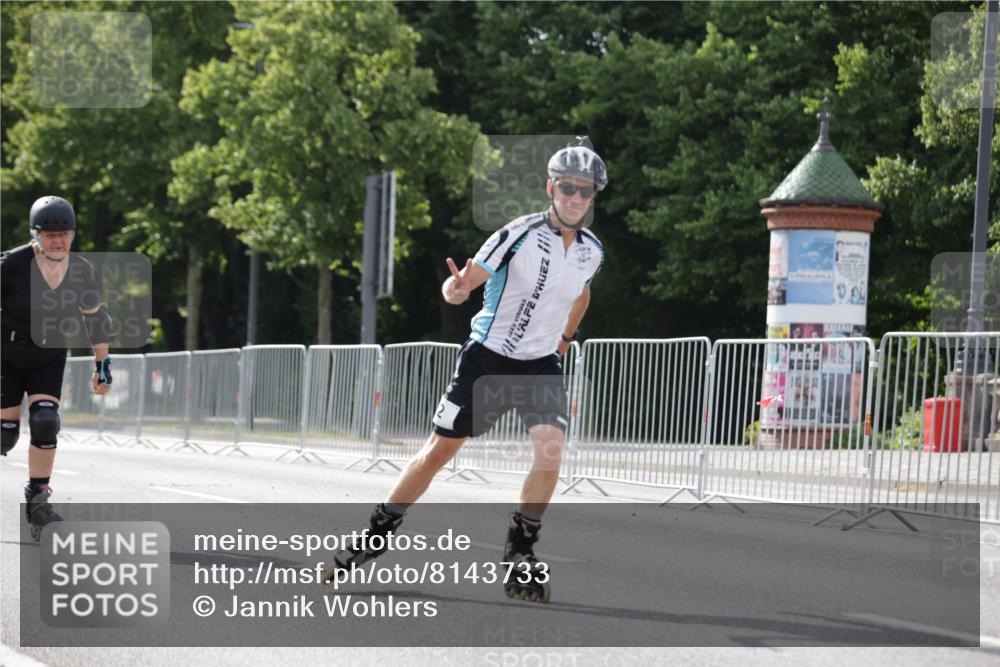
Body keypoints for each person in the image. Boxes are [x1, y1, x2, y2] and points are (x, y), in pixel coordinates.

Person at [326, 138, 608, 603]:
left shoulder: (591, 251)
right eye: (567, 187)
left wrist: (563, 341)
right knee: (437, 454)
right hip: (488, 359)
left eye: (585, 190)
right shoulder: (517, 233)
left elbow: (581, 293)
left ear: (593, 197)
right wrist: (454, 290)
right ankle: (376, 532)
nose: (575, 197)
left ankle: (520, 550)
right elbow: (465, 281)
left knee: (551, 449)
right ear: (550, 188)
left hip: (539, 365)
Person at [1, 196, 113, 540]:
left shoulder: (82, 271)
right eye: (49, 235)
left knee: (46, 422)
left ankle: (39, 501)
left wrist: (103, 365)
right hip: (6, 352)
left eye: (64, 233)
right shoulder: (11, 265)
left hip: (48, 353)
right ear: (35, 234)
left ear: (73, 234)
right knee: (4, 433)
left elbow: (96, 318)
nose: (57, 240)